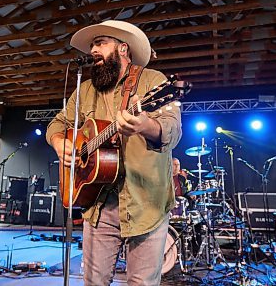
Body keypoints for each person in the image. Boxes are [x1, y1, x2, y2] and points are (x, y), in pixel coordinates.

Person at [46, 20, 182, 285]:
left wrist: (146, 125)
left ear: (122, 48)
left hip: (146, 202)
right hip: (98, 202)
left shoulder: (153, 81)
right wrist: (58, 141)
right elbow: (57, 124)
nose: (93, 50)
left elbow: (172, 129)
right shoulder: (85, 89)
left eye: (100, 43)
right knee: (93, 282)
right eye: (92, 45)